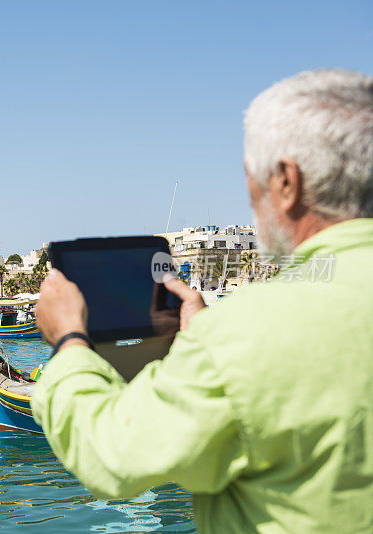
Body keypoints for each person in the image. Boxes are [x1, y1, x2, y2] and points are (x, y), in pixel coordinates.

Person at [31, 69, 373, 533]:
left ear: (287, 182)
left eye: (251, 179)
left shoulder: (247, 335)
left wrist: (70, 339)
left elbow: (112, 456)